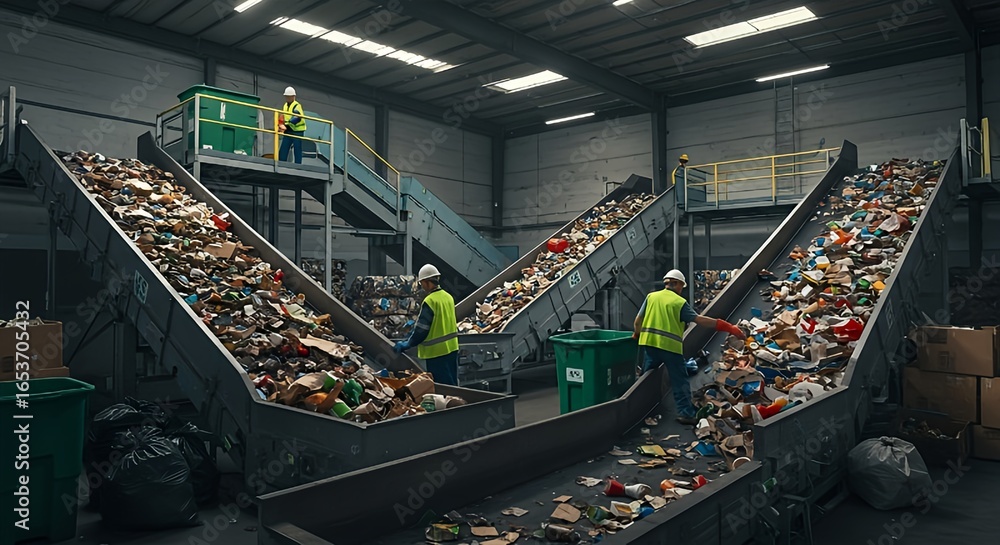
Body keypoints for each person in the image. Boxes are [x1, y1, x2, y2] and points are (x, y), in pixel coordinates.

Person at [633, 269, 745, 425]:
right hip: (670, 348)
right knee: (679, 380)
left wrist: (637, 335)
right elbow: (700, 321)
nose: (681, 289)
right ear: (678, 284)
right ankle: (685, 413)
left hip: (649, 345)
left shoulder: (651, 297)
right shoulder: (678, 302)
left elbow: (638, 321)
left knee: (646, 377)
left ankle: (638, 411)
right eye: (681, 286)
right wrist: (728, 327)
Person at [393, 264, 460, 385]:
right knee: (452, 384)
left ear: (427, 282)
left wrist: (408, 343)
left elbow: (422, 330)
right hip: (452, 348)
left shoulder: (430, 301)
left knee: (441, 388)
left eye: (422, 283)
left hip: (437, 352)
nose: (422, 286)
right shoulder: (448, 297)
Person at [278, 87, 307, 164]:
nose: (287, 98)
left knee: (297, 149)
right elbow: (283, 116)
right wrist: (280, 125)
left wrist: (286, 125)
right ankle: (281, 163)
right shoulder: (285, 105)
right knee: (284, 148)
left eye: (289, 96)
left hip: (297, 131)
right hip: (289, 130)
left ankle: (298, 166)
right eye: (286, 96)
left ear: (293, 96)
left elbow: (298, 118)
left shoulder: (297, 105)